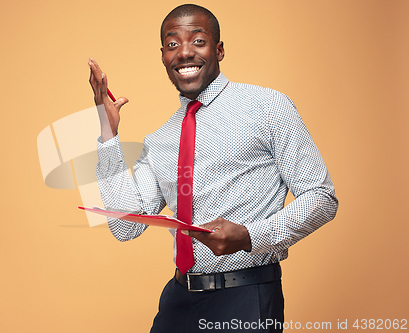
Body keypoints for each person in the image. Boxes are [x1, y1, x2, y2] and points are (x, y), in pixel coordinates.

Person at [88, 4, 338, 333]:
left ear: (218, 49)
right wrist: (108, 133)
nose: (184, 53)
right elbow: (125, 227)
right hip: (179, 300)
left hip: (246, 297)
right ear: (163, 55)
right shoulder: (160, 139)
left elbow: (322, 198)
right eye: (173, 44)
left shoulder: (267, 107)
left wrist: (250, 236)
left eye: (198, 41)